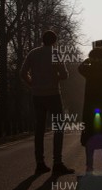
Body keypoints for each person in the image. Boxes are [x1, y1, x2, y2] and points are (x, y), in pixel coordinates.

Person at [20, 30, 74, 176]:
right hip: (53, 95)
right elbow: (64, 74)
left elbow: (23, 73)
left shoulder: (33, 53)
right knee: (58, 128)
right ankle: (57, 162)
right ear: (54, 41)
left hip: (37, 95)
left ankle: (40, 163)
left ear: (42, 40)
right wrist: (56, 75)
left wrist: (32, 83)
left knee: (39, 129)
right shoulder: (55, 53)